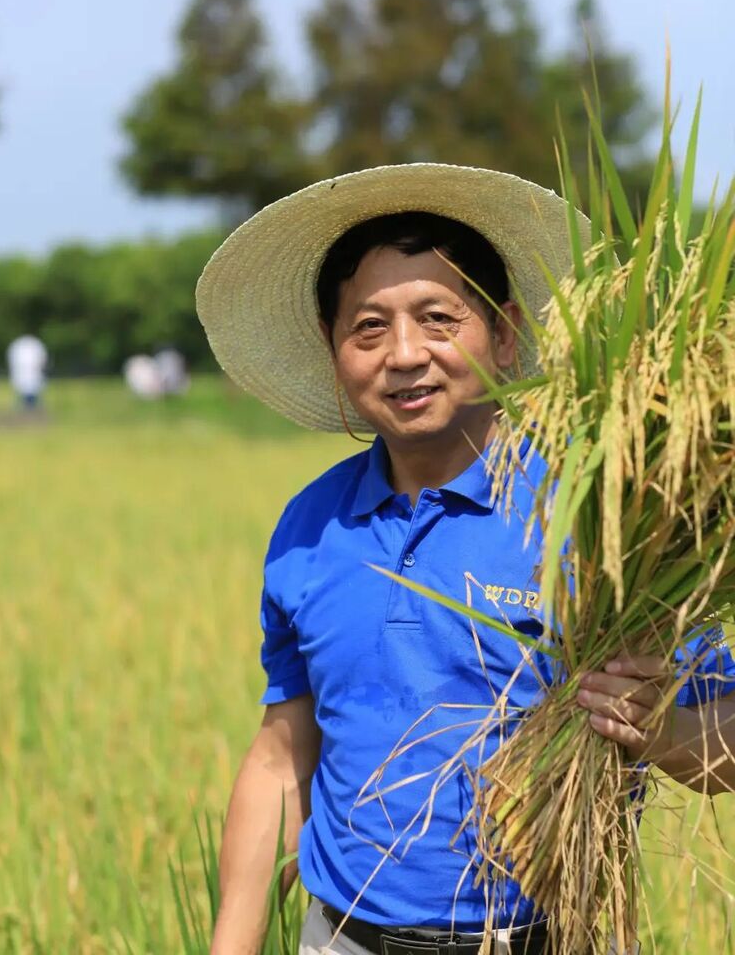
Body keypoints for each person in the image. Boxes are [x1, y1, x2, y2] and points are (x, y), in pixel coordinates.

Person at [195, 164, 735, 955]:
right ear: (334, 351)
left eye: (439, 318)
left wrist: (658, 731)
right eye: (368, 327)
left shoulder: (596, 517)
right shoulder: (312, 527)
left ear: (505, 332)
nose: (404, 354)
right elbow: (284, 754)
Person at [6, 333, 48, 409]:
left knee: (31, 391)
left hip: (31, 376)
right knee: (26, 391)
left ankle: (30, 408)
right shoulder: (24, 346)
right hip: (24, 376)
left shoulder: (30, 346)